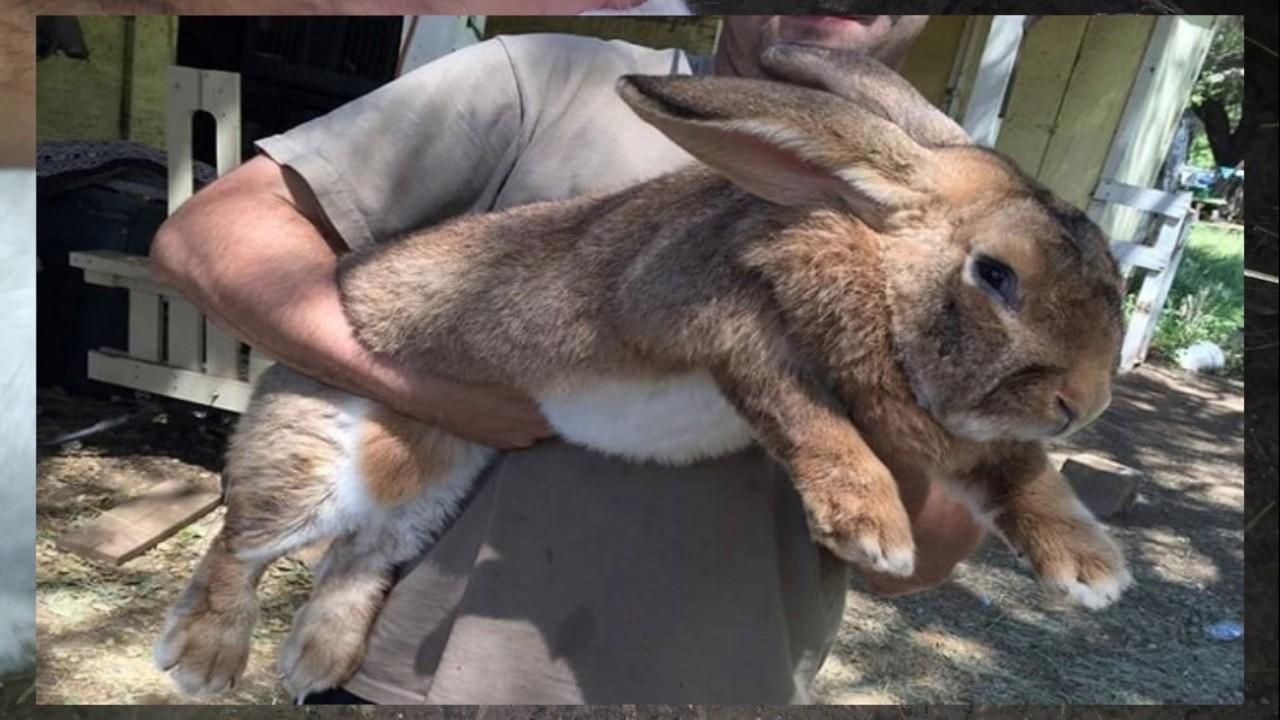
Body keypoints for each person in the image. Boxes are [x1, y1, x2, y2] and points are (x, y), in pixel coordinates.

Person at [150, 15, 985, 705]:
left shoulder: (971, 218)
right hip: (418, 680)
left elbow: (925, 558)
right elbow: (212, 235)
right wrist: (430, 393)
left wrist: (884, 383)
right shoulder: (548, 83)